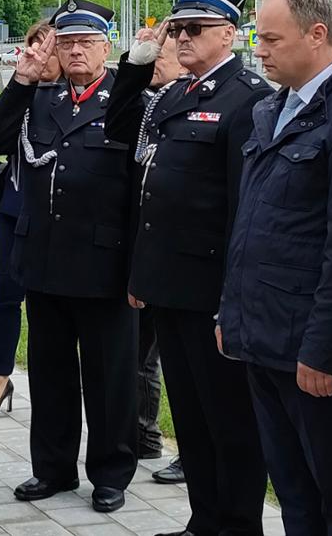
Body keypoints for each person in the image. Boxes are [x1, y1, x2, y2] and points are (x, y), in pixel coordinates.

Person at [104, 0, 272, 536]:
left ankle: (238, 524)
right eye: (176, 28)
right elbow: (124, 135)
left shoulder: (244, 100)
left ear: (229, 33)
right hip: (169, 286)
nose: (181, 38)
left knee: (230, 422)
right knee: (193, 420)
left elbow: (239, 212)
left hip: (211, 292)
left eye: (194, 29)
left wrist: (233, 301)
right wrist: (136, 61)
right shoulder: (177, 95)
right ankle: (204, 521)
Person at [220, 0, 332, 535]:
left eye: (270, 38)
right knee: (291, 485)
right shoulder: (273, 108)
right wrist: (230, 311)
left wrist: (322, 350)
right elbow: (251, 225)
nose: (258, 50)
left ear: (318, 35)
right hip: (263, 334)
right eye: (255, 38)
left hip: (312, 351)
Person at [0, 0, 140, 513]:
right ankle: (52, 470)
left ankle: (111, 474)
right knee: (49, 375)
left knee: (109, 378)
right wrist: (23, 79)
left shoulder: (128, 98)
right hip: (44, 262)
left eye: (86, 43)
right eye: (66, 42)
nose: (75, 51)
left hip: (104, 265)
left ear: (106, 48)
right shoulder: (41, 97)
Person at [0, 21, 57, 422]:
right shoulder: (23, 94)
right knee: (5, 300)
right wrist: (19, 84)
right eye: (32, 47)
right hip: (15, 209)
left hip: (56, 218)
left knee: (53, 310)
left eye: (47, 48)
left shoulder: (72, 97)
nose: (39, 55)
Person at [141, 32, 186, 485]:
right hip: (147, 254)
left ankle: (152, 438)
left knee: (157, 359)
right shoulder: (151, 103)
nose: (154, 62)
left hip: (184, 262)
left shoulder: (180, 102)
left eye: (161, 55)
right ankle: (143, 434)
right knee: (146, 357)